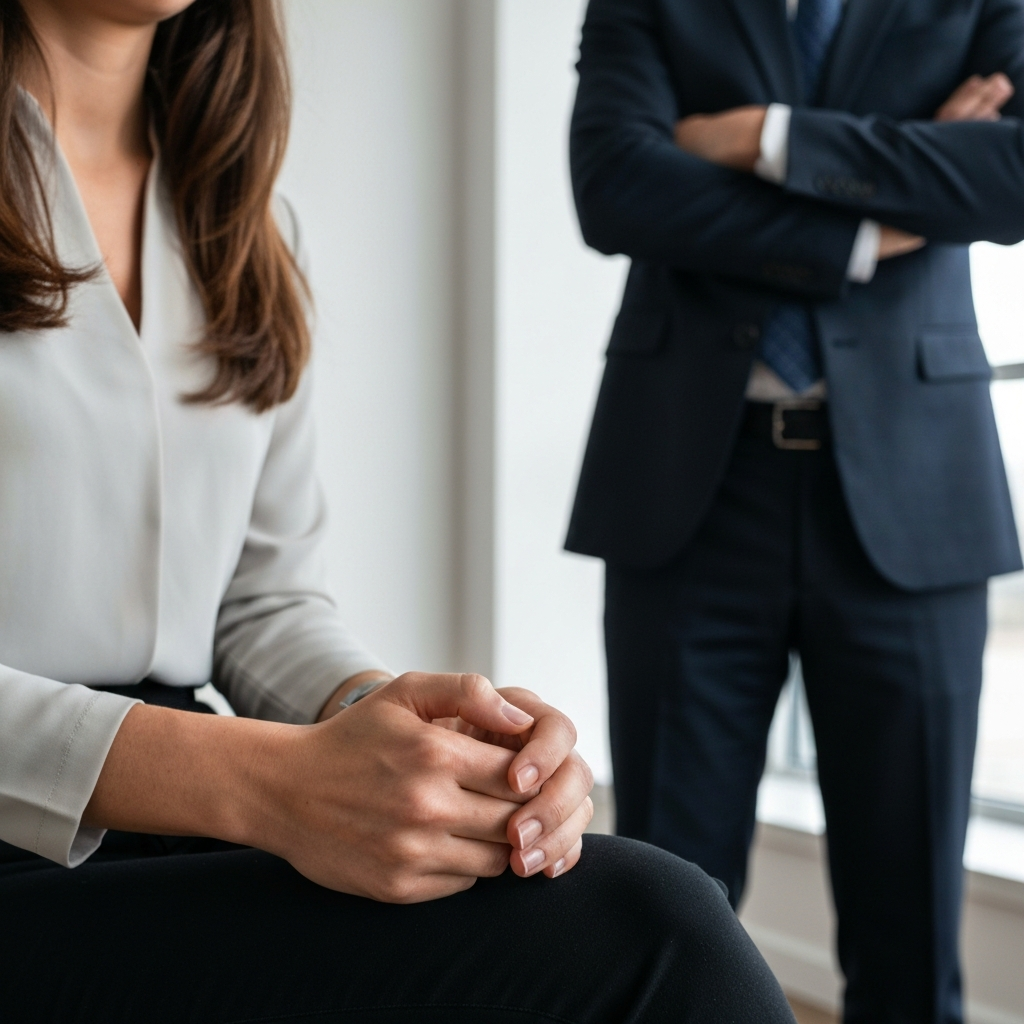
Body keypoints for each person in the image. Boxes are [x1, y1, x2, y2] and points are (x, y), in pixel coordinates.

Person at [0, 1, 801, 1022]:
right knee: (653, 943)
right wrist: (264, 783)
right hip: (85, 832)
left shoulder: (245, 223)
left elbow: (263, 598)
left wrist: (398, 731)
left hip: (182, 823)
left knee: (645, 912)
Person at [565, 1, 1024, 1021]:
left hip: (913, 500)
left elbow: (1011, 173)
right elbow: (614, 187)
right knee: (666, 913)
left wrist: (761, 137)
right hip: (689, 490)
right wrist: (870, 225)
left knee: (910, 933)